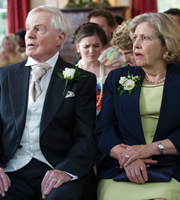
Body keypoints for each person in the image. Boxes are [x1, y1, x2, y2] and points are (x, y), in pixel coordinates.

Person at [0, 5, 97, 200]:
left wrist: (67, 171)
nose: (29, 35)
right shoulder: (4, 76)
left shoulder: (81, 79)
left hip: (57, 167)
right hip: (11, 169)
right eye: (28, 29)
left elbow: (86, 136)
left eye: (39, 29)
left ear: (60, 38)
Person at [95, 12, 180, 200]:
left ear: (166, 44)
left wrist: (148, 149)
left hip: (172, 167)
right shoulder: (117, 78)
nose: (136, 45)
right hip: (122, 169)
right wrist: (125, 157)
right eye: (135, 38)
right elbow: (104, 127)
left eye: (145, 38)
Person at [72, 22, 108, 114]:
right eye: (86, 46)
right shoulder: (70, 73)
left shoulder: (111, 73)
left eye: (96, 46)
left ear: (102, 46)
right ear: (78, 47)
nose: (91, 51)